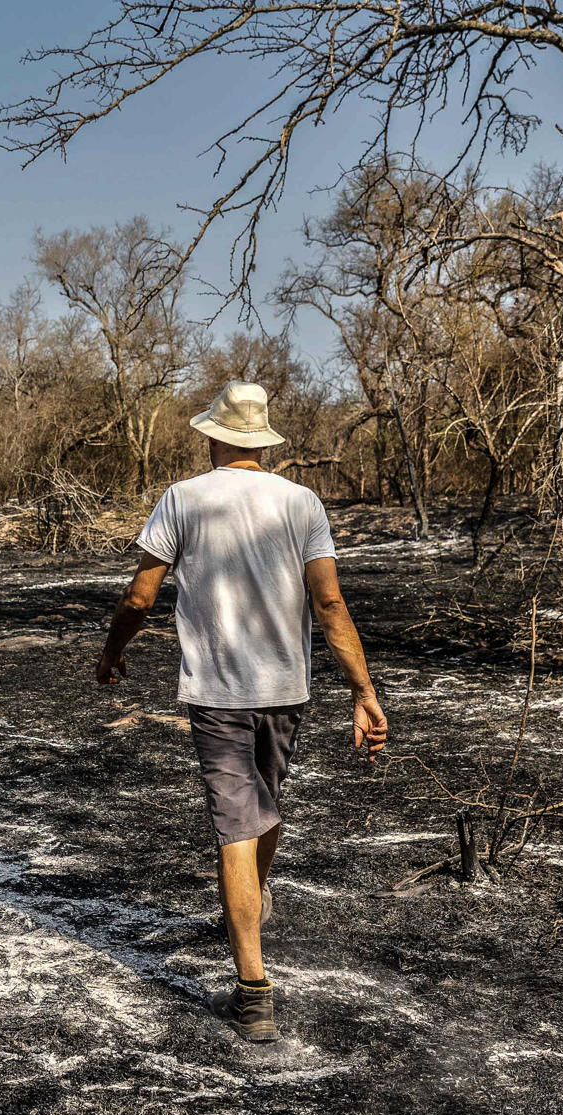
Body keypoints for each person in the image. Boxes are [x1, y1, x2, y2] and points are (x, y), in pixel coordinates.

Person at [94, 380, 388, 1043]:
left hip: (218, 692)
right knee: (262, 811)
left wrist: (111, 653)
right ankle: (250, 906)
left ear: (212, 436)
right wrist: (363, 689)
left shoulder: (185, 499)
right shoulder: (300, 502)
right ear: (262, 438)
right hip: (286, 686)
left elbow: (141, 597)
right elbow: (330, 603)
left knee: (237, 827)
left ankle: (253, 992)